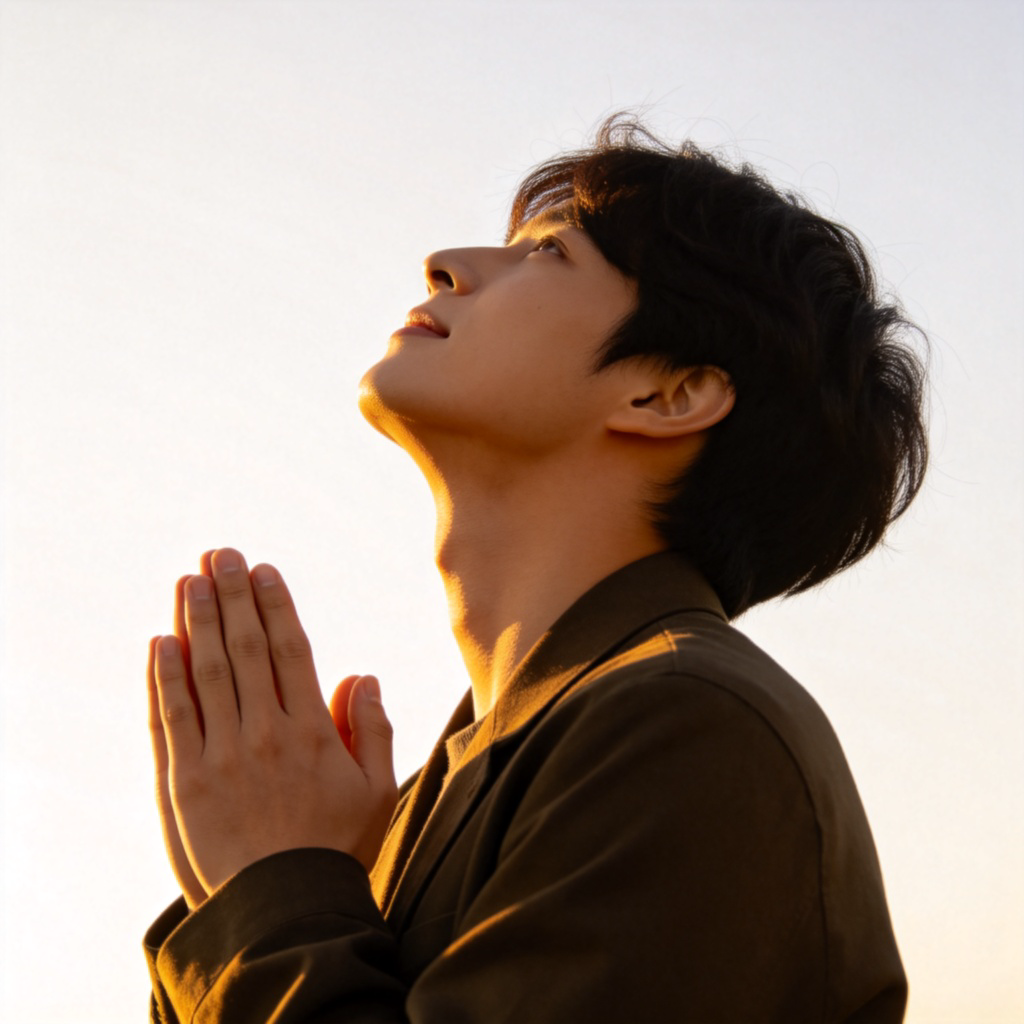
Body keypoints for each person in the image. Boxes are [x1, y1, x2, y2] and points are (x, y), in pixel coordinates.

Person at [143, 116, 928, 1023]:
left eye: (550, 253)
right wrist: (280, 891)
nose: (446, 262)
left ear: (668, 392)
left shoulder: (690, 724)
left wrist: (269, 893)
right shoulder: (435, 798)